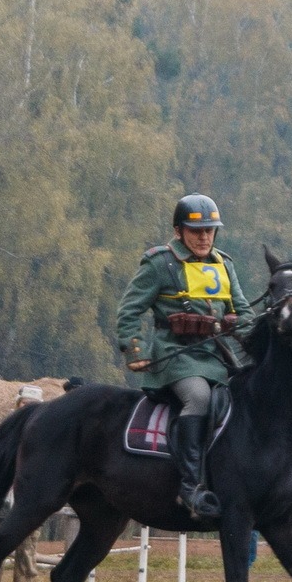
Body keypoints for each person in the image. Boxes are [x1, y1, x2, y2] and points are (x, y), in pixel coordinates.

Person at [115, 194, 249, 517]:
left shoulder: (224, 264)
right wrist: (135, 350)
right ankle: (190, 488)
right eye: (196, 231)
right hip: (175, 356)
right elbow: (129, 311)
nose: (204, 238)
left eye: (209, 231)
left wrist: (257, 333)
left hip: (216, 357)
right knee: (200, 398)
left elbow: (243, 313)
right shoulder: (160, 263)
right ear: (178, 231)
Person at [0, 386, 43, 582]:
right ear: (17, 404)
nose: (26, 407)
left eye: (31, 404)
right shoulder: (5, 431)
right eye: (24, 403)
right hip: (1, 497)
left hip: (29, 500)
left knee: (26, 549)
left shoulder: (45, 434)